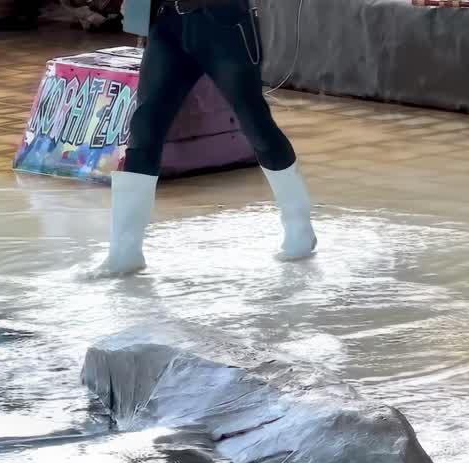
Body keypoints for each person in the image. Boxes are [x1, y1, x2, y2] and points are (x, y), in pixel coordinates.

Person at [99, 0, 317, 275]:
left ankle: (299, 227)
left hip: (224, 22)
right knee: (145, 128)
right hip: (167, 23)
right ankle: (125, 251)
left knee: (255, 124)